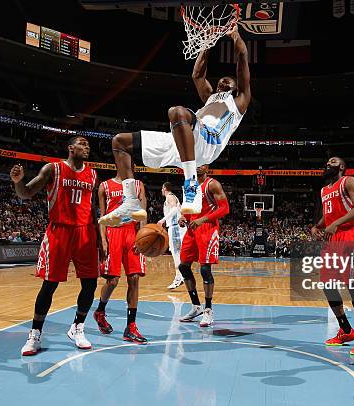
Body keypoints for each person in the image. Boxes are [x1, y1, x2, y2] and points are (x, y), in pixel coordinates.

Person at [99, 25, 250, 226]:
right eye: (221, 81)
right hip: (184, 143)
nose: (223, 82)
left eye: (227, 81)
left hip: (209, 142)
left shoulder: (240, 100)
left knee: (177, 112)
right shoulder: (210, 98)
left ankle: (191, 185)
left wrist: (235, 35)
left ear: (235, 86)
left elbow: (242, 57)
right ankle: (131, 202)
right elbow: (197, 76)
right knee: (120, 142)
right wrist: (207, 44)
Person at [10, 136, 104, 356]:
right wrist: (18, 182)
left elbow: (91, 208)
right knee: (50, 285)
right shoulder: (53, 169)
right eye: (82, 144)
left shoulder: (92, 174)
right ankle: (35, 333)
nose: (87, 147)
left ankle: (77, 327)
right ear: (71, 148)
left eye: (88, 145)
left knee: (90, 284)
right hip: (59, 231)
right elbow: (27, 193)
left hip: (85, 232)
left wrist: (99, 237)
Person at [311, 157, 354, 355]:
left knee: (353, 286)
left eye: (333, 161)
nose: (328, 164)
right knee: (328, 286)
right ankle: (346, 330)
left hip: (350, 236)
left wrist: (337, 223)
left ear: (342, 167)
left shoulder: (348, 181)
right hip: (331, 239)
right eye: (326, 162)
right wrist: (317, 226)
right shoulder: (324, 190)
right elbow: (328, 216)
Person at [93, 175, 148, 343]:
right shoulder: (105, 185)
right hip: (113, 232)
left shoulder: (138, 185)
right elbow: (103, 216)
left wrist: (142, 237)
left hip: (132, 232)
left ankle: (130, 327)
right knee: (113, 281)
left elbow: (143, 215)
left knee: (134, 278)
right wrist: (102, 239)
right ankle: (100, 311)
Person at [178, 165, 229, 327]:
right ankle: (196, 307)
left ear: (207, 167)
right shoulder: (190, 183)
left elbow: (225, 209)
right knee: (183, 267)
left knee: (205, 269)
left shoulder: (213, 184)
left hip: (207, 228)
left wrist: (202, 219)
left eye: (202, 164)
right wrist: (183, 217)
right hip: (192, 228)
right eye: (197, 163)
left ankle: (208, 310)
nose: (199, 166)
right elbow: (189, 206)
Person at [158, 182, 187, 290]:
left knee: (176, 254)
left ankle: (179, 278)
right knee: (178, 253)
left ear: (165, 188)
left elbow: (175, 209)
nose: (161, 190)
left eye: (162, 188)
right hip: (175, 227)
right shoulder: (171, 197)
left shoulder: (170, 196)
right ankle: (182, 276)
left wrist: (163, 220)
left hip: (175, 227)